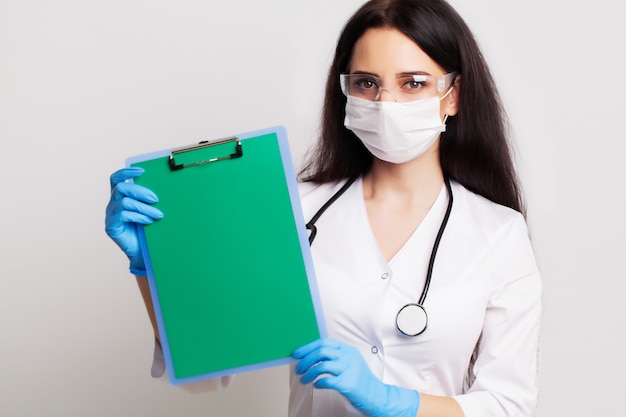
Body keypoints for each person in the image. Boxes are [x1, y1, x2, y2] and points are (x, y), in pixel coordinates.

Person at [105, 0, 542, 416]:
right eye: (367, 83)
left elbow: (508, 405)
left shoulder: (499, 232)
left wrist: (398, 403)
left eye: (413, 83)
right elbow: (205, 375)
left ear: (453, 95)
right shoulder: (293, 208)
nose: (386, 104)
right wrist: (156, 269)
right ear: (346, 92)